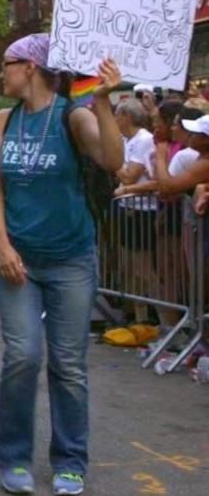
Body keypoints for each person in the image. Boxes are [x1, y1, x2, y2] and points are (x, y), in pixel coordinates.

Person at [0, 34, 123, 496]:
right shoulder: (5, 119)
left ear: (30, 67)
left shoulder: (73, 115)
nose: (0, 72)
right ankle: (14, 457)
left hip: (71, 260)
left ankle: (70, 459)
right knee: (22, 356)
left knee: (68, 363)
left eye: (7, 63)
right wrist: (3, 246)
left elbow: (113, 160)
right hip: (18, 259)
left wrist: (102, 102)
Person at [113, 99, 160, 329]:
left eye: (117, 115)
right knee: (128, 265)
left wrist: (115, 165)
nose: (114, 120)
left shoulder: (144, 140)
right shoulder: (124, 140)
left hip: (144, 210)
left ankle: (160, 317)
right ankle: (136, 316)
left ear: (127, 117)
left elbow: (130, 176)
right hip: (126, 208)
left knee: (143, 267)